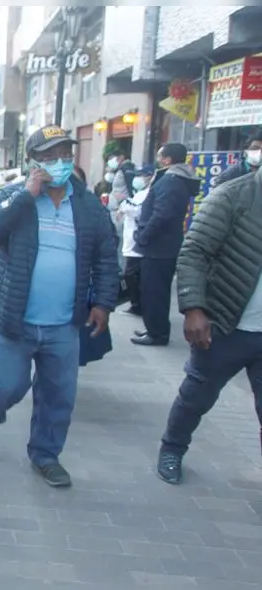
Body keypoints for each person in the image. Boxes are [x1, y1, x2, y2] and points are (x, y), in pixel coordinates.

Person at [0, 125, 118, 488]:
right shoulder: (12, 196)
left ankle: (45, 455)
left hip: (65, 324)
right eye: (50, 156)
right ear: (32, 161)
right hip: (15, 321)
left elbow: (105, 255)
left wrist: (103, 302)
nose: (59, 162)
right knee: (5, 386)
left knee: (58, 396)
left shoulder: (85, 204)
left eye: (65, 155)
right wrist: (25, 195)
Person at [158, 167, 262, 484]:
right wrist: (193, 308)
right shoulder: (233, 196)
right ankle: (172, 449)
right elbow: (194, 252)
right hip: (226, 324)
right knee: (197, 395)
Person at [131, 143, 200, 347]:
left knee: (155, 292)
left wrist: (144, 235)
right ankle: (153, 327)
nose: (158, 159)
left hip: (159, 246)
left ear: (168, 159)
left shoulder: (171, 181)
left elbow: (162, 214)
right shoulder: (172, 178)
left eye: (160, 155)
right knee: (153, 290)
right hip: (161, 245)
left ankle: (158, 333)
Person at [117, 165, 155, 316]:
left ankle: (137, 304)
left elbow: (138, 211)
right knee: (131, 275)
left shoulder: (148, 193)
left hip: (137, 242)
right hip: (131, 241)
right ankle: (135, 303)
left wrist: (124, 203)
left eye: (142, 176)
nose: (138, 179)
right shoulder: (140, 193)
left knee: (131, 275)